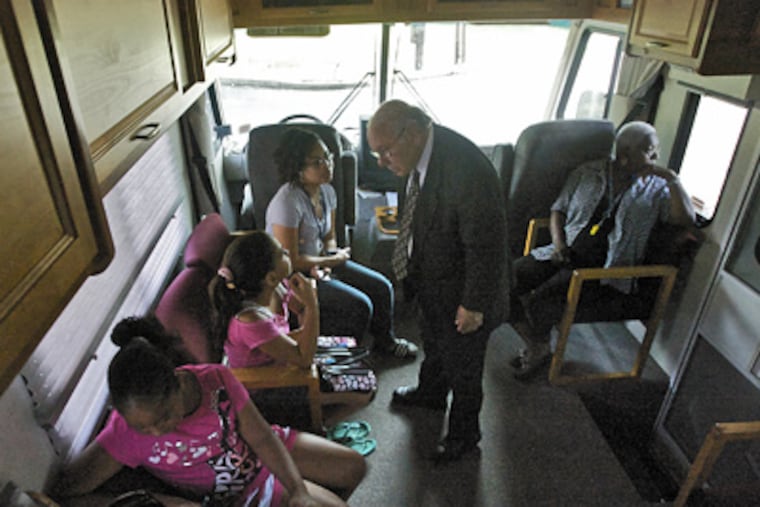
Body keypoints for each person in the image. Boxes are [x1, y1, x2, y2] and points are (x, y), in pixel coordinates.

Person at [51, 316, 366, 507]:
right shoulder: (126, 432)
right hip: (241, 490)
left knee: (355, 468)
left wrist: (297, 490)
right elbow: (67, 491)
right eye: (143, 427)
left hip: (262, 454)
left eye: (163, 418)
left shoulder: (215, 379)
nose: (156, 431)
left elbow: (262, 438)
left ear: (177, 380)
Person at [367, 99, 508, 461]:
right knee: (435, 341)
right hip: (434, 278)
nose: (381, 161)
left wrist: (474, 305)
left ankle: (465, 435)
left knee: (464, 366)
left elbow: (486, 247)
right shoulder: (416, 157)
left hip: (466, 291)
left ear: (412, 133)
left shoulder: (466, 170)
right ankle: (430, 394)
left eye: (385, 151)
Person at [509, 120, 696, 380]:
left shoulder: (658, 188)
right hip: (564, 251)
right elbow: (558, 209)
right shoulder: (587, 172)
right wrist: (559, 244)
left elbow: (685, 220)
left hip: (607, 270)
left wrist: (673, 179)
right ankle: (537, 343)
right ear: (622, 151)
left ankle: (538, 348)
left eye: (651, 151)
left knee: (543, 302)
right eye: (648, 150)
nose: (654, 157)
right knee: (505, 280)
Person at [266, 127, 418, 359]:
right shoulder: (287, 202)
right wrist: (330, 260)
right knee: (359, 305)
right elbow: (291, 260)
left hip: (321, 261)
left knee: (382, 286)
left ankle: (385, 343)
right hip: (291, 276)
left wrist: (328, 258)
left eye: (328, 157)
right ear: (298, 168)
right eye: (317, 162)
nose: (328, 165)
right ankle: (341, 358)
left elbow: (329, 236)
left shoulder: (327, 192)